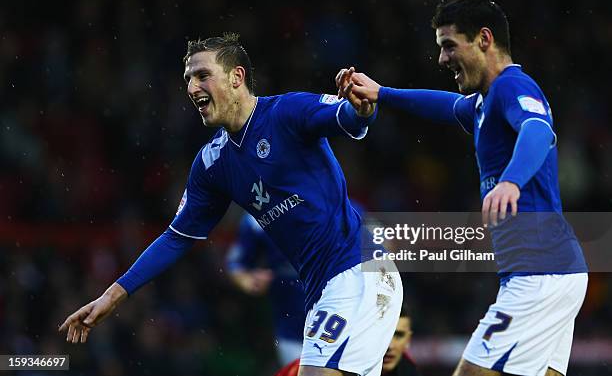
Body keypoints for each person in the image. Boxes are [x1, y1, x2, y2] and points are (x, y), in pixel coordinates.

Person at [59, 32, 403, 376]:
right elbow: (177, 237)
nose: (193, 87)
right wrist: (113, 295)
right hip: (320, 288)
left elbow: (350, 119)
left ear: (236, 77)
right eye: (188, 79)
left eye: (202, 75)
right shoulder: (213, 164)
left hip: (359, 270)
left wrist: (363, 109)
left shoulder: (287, 112)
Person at [336, 0, 587, 376]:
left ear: (484, 39)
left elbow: (538, 130)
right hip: (552, 271)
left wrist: (512, 182)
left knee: (471, 372)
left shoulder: (512, 86)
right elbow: (443, 106)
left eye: (450, 45)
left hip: (541, 271)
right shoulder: (486, 101)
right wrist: (382, 93)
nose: (442, 58)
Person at [226, 212, 306, 366]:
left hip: (344, 322)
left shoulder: (355, 211)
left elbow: (369, 263)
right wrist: (248, 281)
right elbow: (235, 265)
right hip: (291, 327)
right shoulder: (255, 219)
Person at [275, 306, 421, 376]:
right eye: (385, 335)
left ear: (408, 340)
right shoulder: (328, 365)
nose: (390, 345)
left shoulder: (409, 372)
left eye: (399, 335)